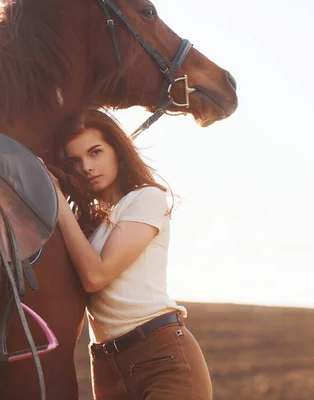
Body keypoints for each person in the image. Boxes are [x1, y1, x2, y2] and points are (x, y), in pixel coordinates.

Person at [47, 109, 212, 400]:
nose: (86, 166)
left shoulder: (147, 199)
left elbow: (96, 275)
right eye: (75, 161)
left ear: (118, 152)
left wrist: (59, 203)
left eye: (95, 152)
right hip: (106, 364)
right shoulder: (87, 225)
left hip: (161, 357)